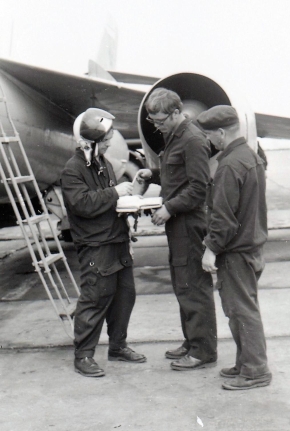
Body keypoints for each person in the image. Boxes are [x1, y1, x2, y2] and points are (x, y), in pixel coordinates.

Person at [61, 108, 151, 377]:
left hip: (117, 241)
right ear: (91, 141)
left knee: (125, 296)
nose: (111, 141)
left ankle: (117, 346)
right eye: (106, 137)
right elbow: (82, 204)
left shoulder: (104, 164)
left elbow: (112, 201)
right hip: (96, 246)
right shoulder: (73, 170)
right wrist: (114, 192)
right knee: (95, 298)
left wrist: (134, 187)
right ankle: (84, 355)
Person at [197, 105, 272, 390]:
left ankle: (255, 371)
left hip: (236, 253)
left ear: (221, 132)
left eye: (209, 135)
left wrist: (211, 248)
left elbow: (224, 217)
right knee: (241, 308)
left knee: (241, 310)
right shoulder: (250, 157)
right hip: (251, 248)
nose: (209, 141)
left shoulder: (229, 165)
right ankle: (246, 362)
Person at [145, 88, 218, 371]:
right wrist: (151, 174)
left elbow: (199, 188)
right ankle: (192, 341)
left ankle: (203, 350)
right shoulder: (174, 135)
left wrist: (169, 207)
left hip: (189, 222)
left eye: (161, 120)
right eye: (154, 121)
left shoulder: (193, 139)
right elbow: (177, 176)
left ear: (176, 112)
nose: (157, 126)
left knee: (193, 286)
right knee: (182, 284)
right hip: (178, 223)